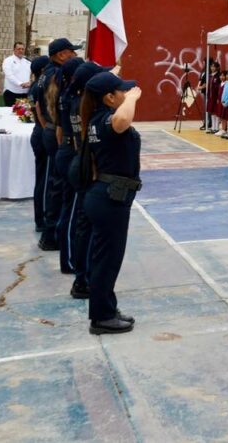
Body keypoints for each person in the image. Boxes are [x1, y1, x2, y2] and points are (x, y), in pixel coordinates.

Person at [81, 71, 142, 335]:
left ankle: (106, 307)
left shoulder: (97, 118)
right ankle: (102, 317)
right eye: (121, 91)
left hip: (106, 196)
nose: (126, 93)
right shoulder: (107, 119)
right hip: (110, 198)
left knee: (105, 259)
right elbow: (122, 120)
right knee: (107, 260)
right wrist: (132, 99)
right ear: (109, 98)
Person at [66, 61, 106, 300]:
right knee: (85, 227)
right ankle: (83, 278)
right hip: (86, 169)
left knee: (82, 224)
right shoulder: (88, 108)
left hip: (79, 162)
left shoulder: (76, 101)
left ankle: (80, 272)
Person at [38, 38, 81, 251]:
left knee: (52, 184)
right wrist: (57, 131)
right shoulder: (56, 75)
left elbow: (40, 105)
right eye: (71, 52)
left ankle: (48, 230)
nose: (74, 55)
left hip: (52, 129)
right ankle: (51, 234)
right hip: (58, 132)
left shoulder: (47, 73)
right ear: (61, 55)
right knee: (58, 188)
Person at [54, 56, 85, 273]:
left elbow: (59, 129)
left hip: (65, 148)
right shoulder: (73, 99)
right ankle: (69, 260)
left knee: (69, 207)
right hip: (70, 150)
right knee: (71, 210)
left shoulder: (65, 94)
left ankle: (69, 256)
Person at [28, 55, 50, 232]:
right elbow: (40, 110)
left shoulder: (35, 85)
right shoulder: (40, 87)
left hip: (39, 132)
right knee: (44, 179)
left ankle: (42, 217)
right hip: (42, 132)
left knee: (43, 177)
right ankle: (42, 219)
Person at [2, 42, 32, 106]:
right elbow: (9, 75)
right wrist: (20, 83)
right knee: (11, 112)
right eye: (18, 49)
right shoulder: (8, 60)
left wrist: (30, 82)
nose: (21, 51)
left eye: (22, 49)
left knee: (25, 112)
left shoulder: (28, 62)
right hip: (11, 93)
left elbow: (32, 75)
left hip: (25, 94)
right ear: (14, 49)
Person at [204, 61, 222, 132]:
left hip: (216, 97)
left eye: (214, 66)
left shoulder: (218, 76)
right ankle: (213, 127)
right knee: (211, 112)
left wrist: (218, 97)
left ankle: (217, 128)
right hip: (210, 97)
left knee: (216, 112)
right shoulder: (210, 76)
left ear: (217, 68)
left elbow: (219, 88)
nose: (212, 68)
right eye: (211, 66)